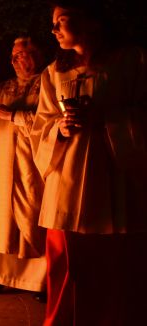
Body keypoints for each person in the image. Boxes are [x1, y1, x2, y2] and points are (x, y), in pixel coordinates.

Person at [30, 1, 147, 324]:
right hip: (66, 186)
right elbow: (41, 125)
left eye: (61, 21)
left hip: (114, 185)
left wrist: (108, 119)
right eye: (52, 23)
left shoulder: (131, 61)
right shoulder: (54, 73)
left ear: (92, 21)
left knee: (115, 270)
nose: (53, 30)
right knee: (67, 266)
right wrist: (60, 128)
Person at [0, 37, 47, 300]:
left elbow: (49, 120)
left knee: (32, 216)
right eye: (13, 56)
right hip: (6, 164)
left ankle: (39, 280)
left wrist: (15, 116)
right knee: (6, 218)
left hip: (34, 163)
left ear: (37, 55)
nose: (16, 60)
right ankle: (0, 275)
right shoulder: (3, 87)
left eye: (22, 55)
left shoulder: (49, 81)